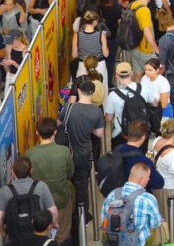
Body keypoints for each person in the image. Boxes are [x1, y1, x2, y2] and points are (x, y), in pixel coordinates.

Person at [25, 118, 74, 246]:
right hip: (62, 200)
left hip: (40, 206)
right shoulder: (64, 151)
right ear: (55, 132)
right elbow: (70, 173)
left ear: (36, 132)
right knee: (63, 236)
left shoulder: (29, 154)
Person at [62, 79, 104, 215]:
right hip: (84, 154)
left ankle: (69, 211)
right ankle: (82, 214)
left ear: (79, 91)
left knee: (67, 182)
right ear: (92, 93)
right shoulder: (96, 111)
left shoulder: (68, 108)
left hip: (67, 153)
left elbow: (59, 124)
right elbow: (99, 133)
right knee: (82, 185)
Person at [99, 163, 162, 246]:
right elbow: (155, 224)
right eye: (148, 177)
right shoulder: (148, 199)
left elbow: (104, 220)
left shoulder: (112, 194)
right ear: (142, 180)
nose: (149, 179)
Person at [0, 156, 57, 243]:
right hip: (39, 238)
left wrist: (2, 232)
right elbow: (53, 212)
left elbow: (0, 217)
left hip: (15, 239)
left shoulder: (5, 191)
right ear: (31, 170)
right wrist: (54, 226)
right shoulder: (41, 186)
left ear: (13, 172)